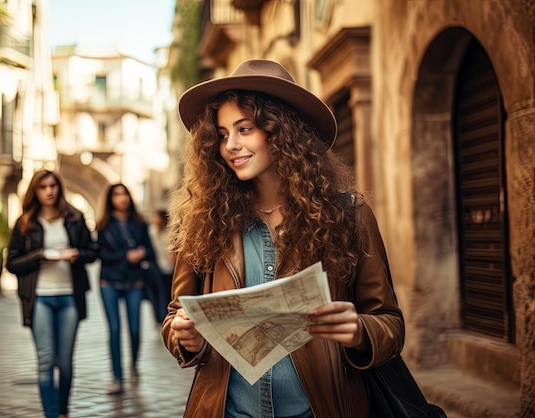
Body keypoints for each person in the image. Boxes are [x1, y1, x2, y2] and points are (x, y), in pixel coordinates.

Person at [161, 59, 405, 417]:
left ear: (282, 130)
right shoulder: (206, 220)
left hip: (322, 408)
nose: (230, 145)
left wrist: (359, 331)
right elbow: (175, 315)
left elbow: (390, 323)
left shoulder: (348, 215)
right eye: (223, 133)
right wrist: (185, 337)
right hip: (228, 410)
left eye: (244, 129)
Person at [5, 169, 97, 418]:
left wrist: (77, 254)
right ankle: (51, 414)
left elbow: (92, 251)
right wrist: (41, 255)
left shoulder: (75, 218)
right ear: (35, 191)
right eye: (43, 187)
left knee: (65, 364)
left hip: (69, 297)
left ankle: (63, 411)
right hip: (39, 299)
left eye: (53, 186)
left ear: (59, 188)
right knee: (46, 362)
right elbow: (12, 264)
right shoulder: (25, 223)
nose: (49, 191)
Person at [96, 183, 157, 394]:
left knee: (135, 329)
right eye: (117, 194)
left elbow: (150, 251)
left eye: (124, 194)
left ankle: (133, 363)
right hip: (109, 282)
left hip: (135, 281)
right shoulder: (104, 225)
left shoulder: (139, 223)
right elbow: (100, 255)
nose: (122, 198)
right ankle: (117, 377)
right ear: (110, 199)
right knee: (114, 329)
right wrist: (125, 256)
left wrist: (142, 253)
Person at [148, 209, 175, 321]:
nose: (155, 220)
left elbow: (172, 250)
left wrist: (171, 258)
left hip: (170, 267)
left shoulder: (170, 232)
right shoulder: (152, 231)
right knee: (159, 294)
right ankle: (161, 317)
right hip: (157, 267)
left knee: (169, 293)